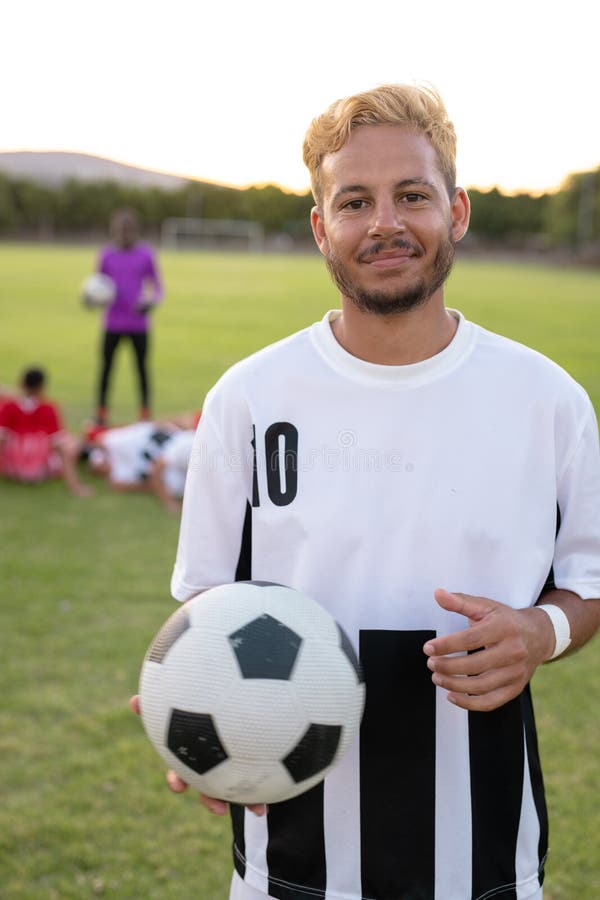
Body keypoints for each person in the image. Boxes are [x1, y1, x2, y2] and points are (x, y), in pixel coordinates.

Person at [132, 84, 600, 900]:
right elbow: (206, 608)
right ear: (322, 228)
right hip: (290, 867)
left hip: (483, 860)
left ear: (455, 212)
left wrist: (541, 631)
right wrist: (198, 714)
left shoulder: (547, 399)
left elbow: (589, 583)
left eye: (411, 195)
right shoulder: (247, 398)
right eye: (355, 201)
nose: (385, 223)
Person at [93, 207, 163, 426]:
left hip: (138, 323)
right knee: (106, 368)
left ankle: (144, 412)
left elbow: (157, 287)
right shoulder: (106, 255)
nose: (124, 233)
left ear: (135, 229)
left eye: (128, 228)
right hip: (112, 322)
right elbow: (98, 286)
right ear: (114, 230)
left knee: (141, 369)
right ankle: (101, 414)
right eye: (120, 229)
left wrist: (151, 301)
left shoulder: (146, 254)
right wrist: (93, 298)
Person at [0, 366, 91, 497]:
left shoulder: (9, 406)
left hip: (11, 468)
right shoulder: (48, 408)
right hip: (39, 469)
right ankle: (75, 486)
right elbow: (59, 440)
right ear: (42, 387)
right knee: (71, 442)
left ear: (22, 383)